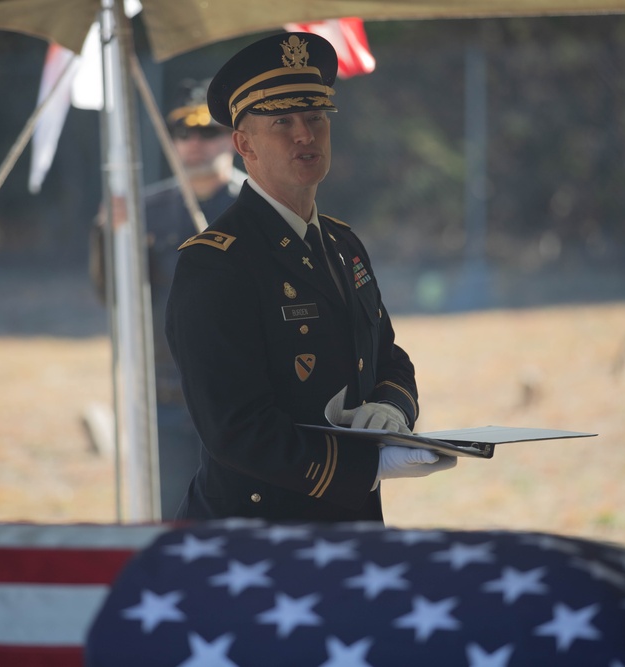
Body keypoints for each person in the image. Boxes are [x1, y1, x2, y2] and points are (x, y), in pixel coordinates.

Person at [165, 32, 456, 523]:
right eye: (281, 121)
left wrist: (393, 412)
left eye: (316, 118)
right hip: (255, 534)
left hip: (346, 522)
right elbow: (236, 429)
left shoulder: (342, 245)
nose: (305, 134)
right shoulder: (217, 262)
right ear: (243, 144)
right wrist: (366, 464)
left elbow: (388, 357)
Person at [90, 78, 243, 518]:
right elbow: (112, 295)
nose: (195, 145)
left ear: (233, 140)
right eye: (183, 134)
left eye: (208, 132)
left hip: (243, 399)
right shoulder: (141, 210)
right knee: (172, 517)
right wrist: (108, 236)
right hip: (166, 399)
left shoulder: (259, 206)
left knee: (241, 520)